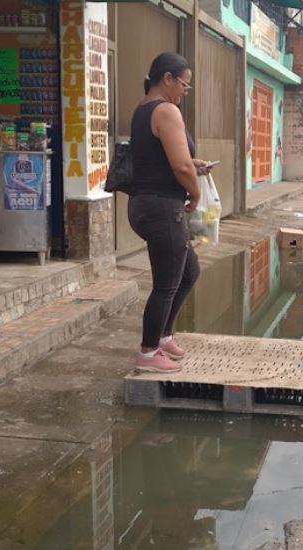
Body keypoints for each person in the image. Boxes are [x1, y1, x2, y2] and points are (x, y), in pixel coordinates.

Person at [129, 52, 212, 373]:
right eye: (184, 85)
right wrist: (195, 192)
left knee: (188, 272)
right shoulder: (166, 111)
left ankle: (163, 336)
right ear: (167, 78)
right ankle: (148, 353)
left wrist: (195, 166)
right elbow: (178, 165)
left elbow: (166, 161)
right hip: (162, 207)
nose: (184, 92)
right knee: (166, 283)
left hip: (148, 205)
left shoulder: (143, 109)